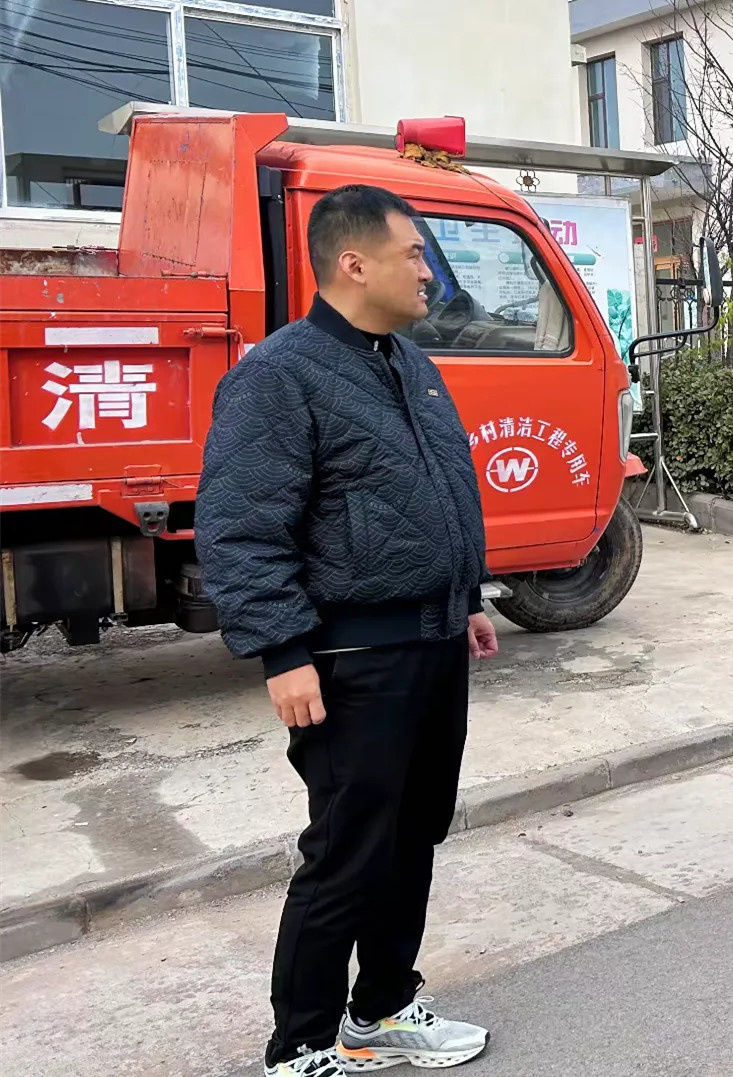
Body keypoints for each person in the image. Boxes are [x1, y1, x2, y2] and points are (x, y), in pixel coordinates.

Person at [196, 184, 499, 1077]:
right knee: (347, 849)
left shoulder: (410, 362)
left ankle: (382, 1007)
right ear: (354, 263)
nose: (427, 272)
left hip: (432, 643)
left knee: (413, 834)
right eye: (414, 254)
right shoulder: (279, 374)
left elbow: (438, 492)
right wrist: (283, 650)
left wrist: (467, 599)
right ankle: (299, 1044)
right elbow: (242, 525)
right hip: (350, 656)